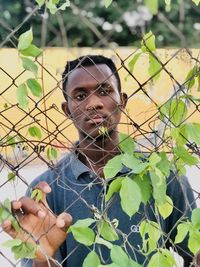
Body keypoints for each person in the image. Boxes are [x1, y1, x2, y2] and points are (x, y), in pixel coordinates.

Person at [1, 55, 198, 267]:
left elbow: (193, 255)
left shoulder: (163, 176)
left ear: (122, 100)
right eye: (80, 96)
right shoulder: (47, 190)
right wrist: (43, 258)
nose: (94, 103)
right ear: (67, 110)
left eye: (104, 91)